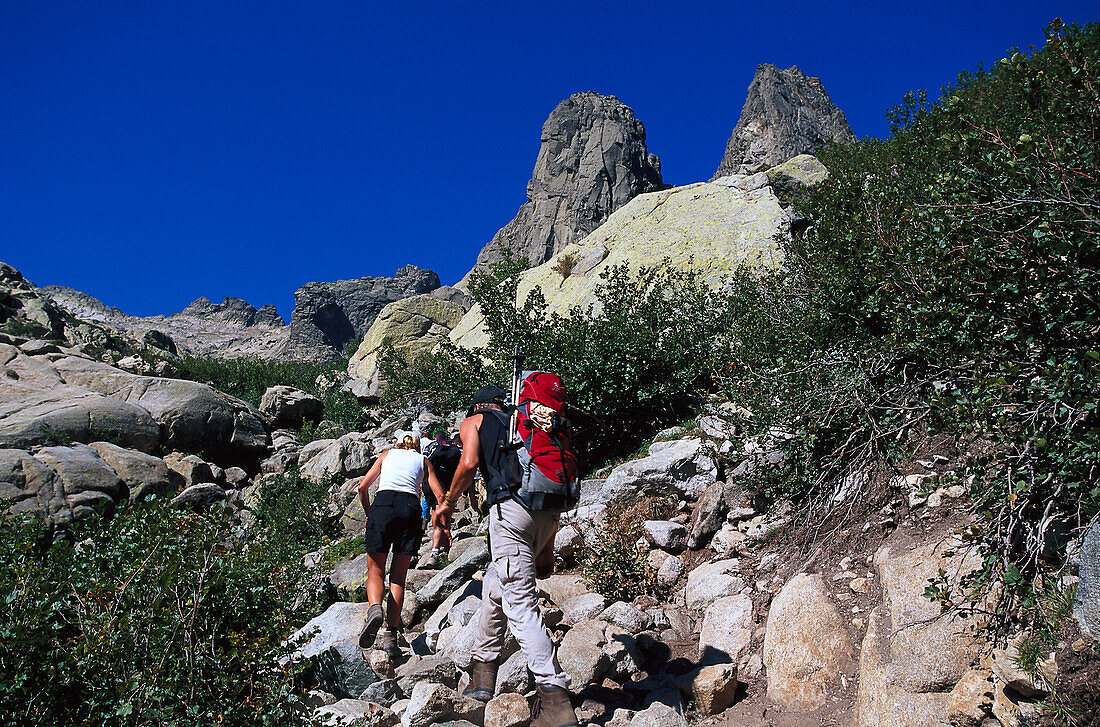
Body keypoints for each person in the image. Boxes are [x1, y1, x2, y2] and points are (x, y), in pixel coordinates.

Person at [435, 386, 579, 727]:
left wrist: (447, 504)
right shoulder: (525, 423)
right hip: (546, 513)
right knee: (495, 587)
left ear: (476, 406)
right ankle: (483, 676)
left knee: (520, 604)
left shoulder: (474, 421)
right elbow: (543, 485)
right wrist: (546, 547)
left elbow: (469, 463)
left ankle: (555, 700)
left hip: (510, 514)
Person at [357, 433, 446, 655]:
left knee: (375, 572)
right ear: (417, 447)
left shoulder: (386, 455)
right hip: (409, 508)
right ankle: (391, 637)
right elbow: (439, 494)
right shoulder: (423, 461)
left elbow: (362, 487)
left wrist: (370, 513)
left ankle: (375, 609)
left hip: (383, 505)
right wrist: (443, 526)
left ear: (398, 445)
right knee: (398, 577)